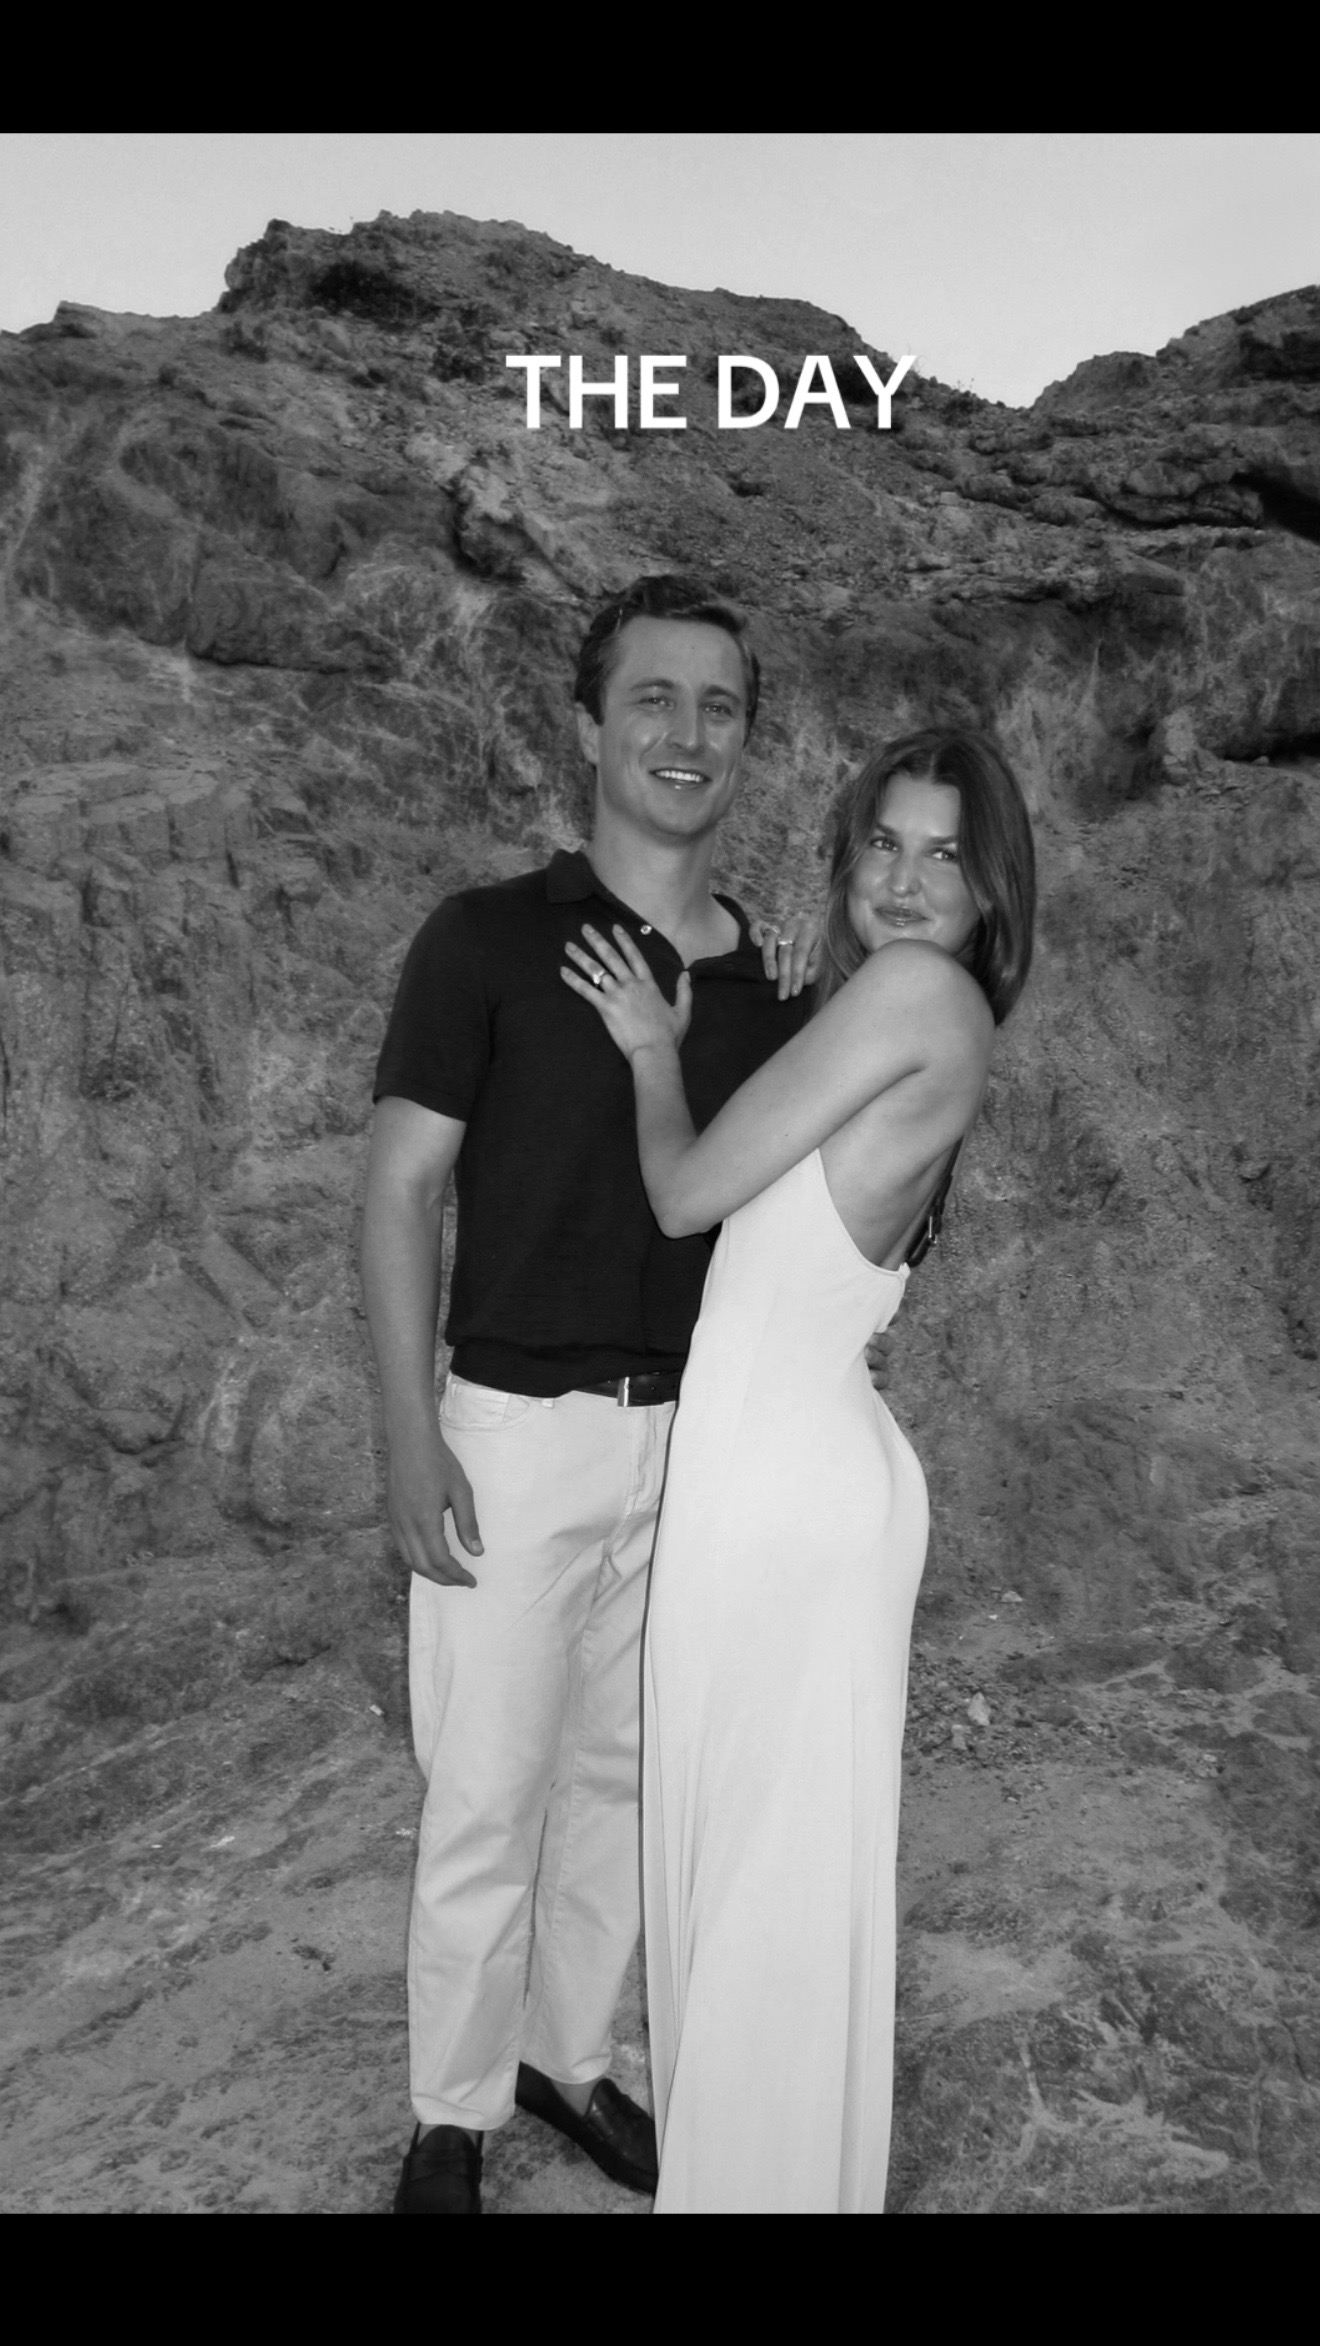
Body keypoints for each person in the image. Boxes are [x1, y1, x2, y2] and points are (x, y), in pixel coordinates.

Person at [361, 574, 827, 2214]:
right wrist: (408, 1433)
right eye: (653, 698)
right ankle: (451, 2112)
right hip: (512, 1433)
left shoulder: (773, 989)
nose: (687, 734)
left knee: (626, 1783)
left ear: (747, 738)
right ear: (589, 725)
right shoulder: (487, 937)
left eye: (720, 705)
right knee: (485, 1791)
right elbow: (401, 1188)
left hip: (695, 1446)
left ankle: (569, 2058)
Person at [561, 728, 1036, 2213]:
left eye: (945, 854)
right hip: (794, 1471)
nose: (905, 879)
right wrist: (763, 1002)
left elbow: (686, 1188)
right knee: (772, 1890)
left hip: (778, 1495)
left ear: (991, 889)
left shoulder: (913, 994)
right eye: (883, 842)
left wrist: (652, 1045)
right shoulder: (912, 1009)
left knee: (759, 1900)